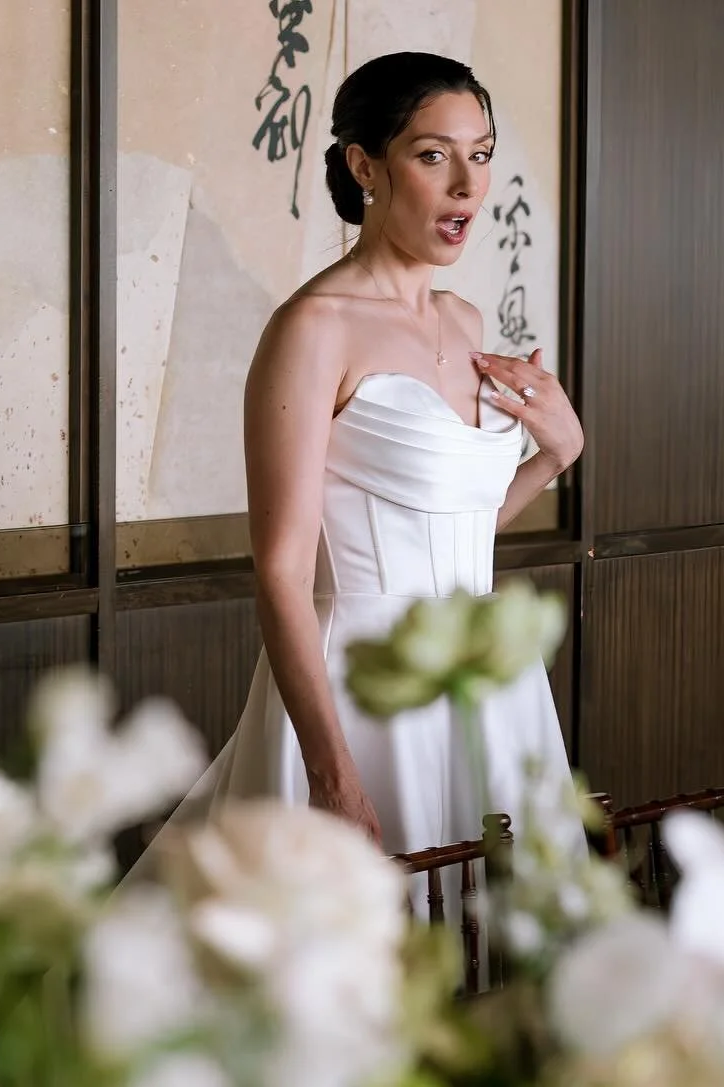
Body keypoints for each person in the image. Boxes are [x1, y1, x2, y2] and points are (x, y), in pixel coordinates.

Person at [132, 52, 584, 888]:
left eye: (481, 155)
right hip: (362, 691)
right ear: (364, 165)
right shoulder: (313, 329)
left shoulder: (465, 317)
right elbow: (280, 572)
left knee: (489, 956)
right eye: (432, 154)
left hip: (485, 681)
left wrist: (558, 454)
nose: (465, 187)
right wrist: (333, 772)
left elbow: (452, 528)